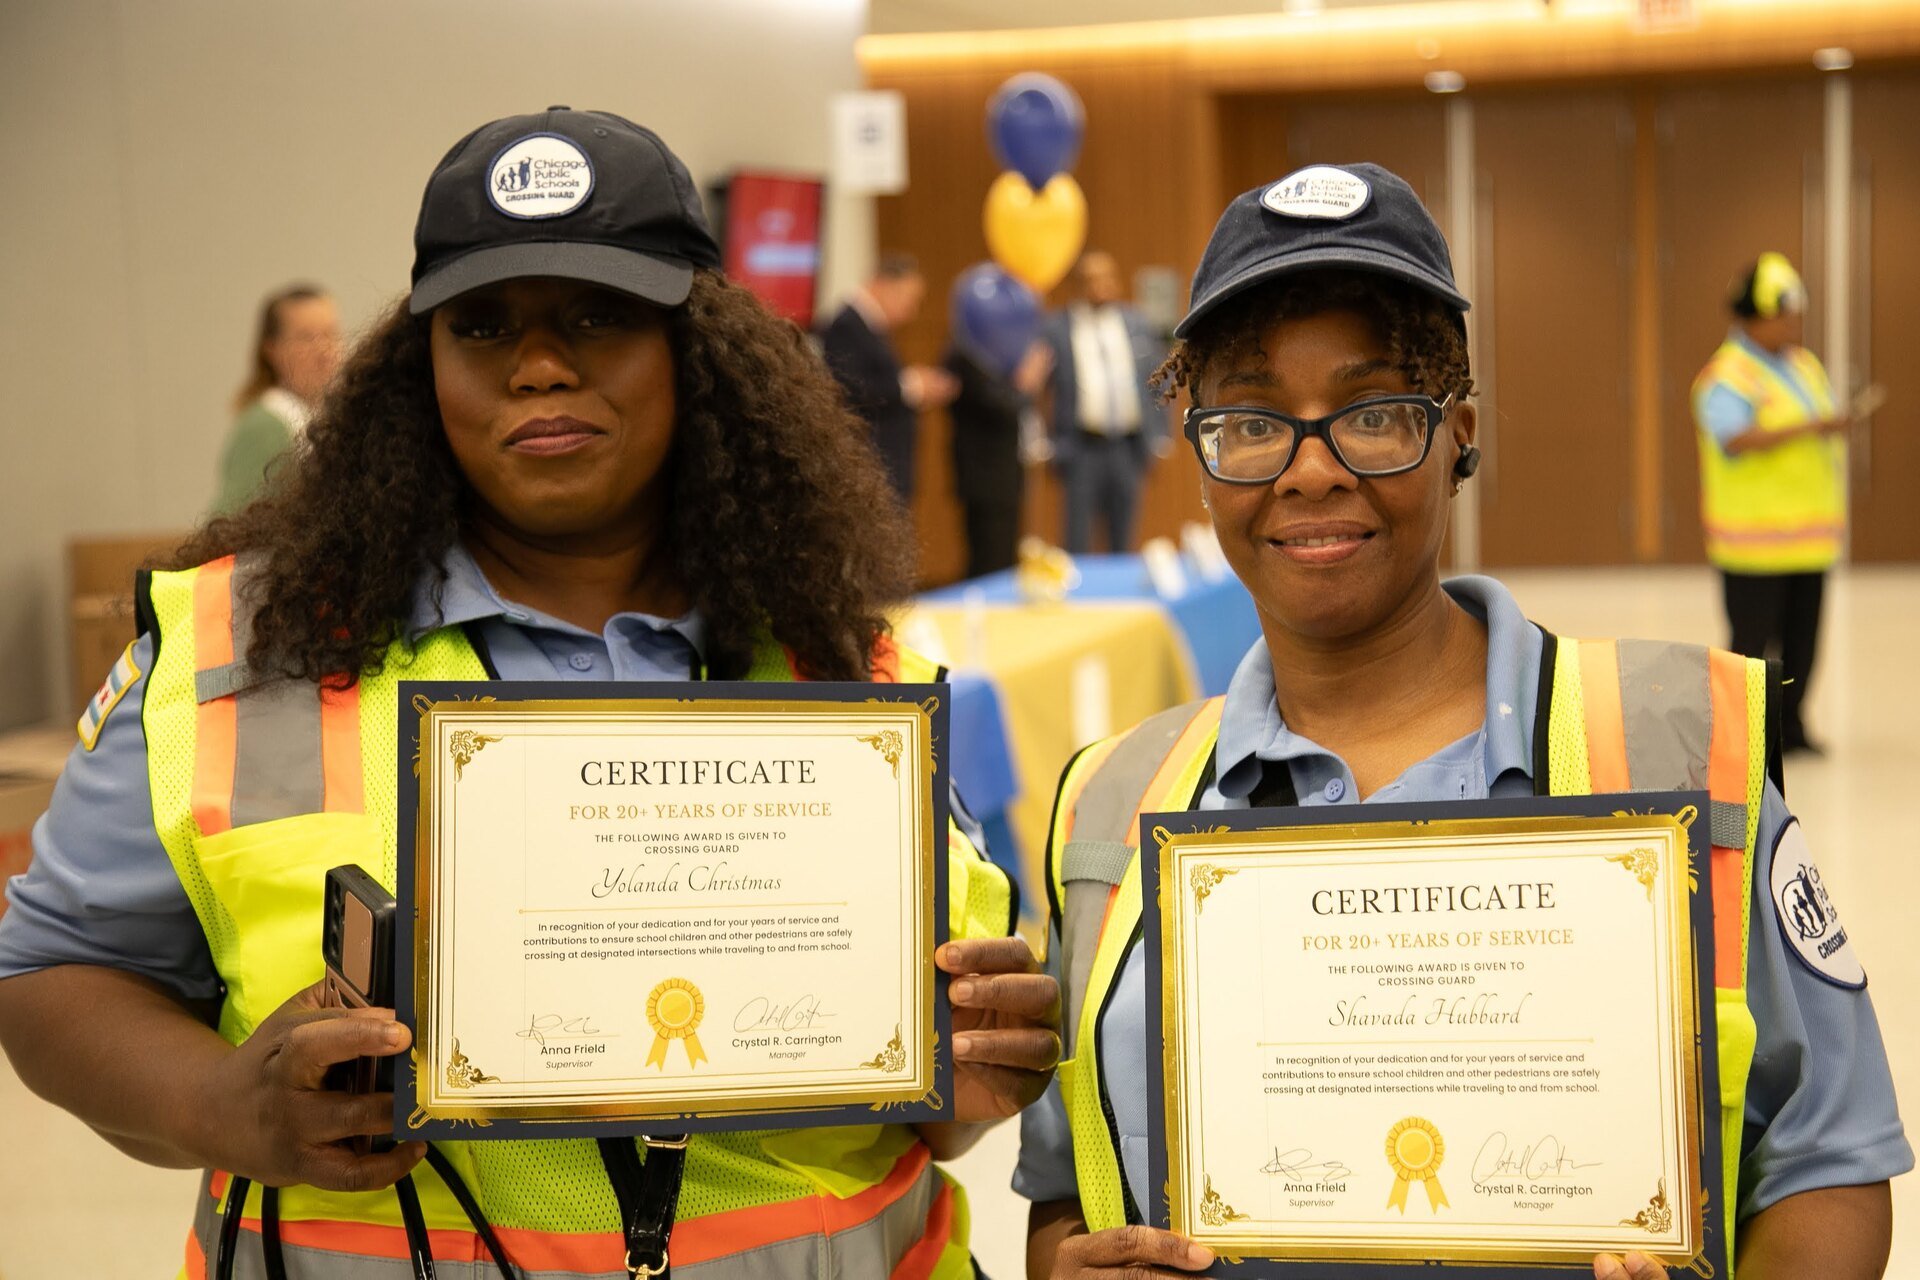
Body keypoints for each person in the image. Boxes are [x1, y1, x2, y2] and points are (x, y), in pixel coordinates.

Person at [0, 108, 1060, 1278]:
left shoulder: (844, 660)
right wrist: (222, 1102)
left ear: (695, 355)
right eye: (483, 323)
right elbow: (50, 973)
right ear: (423, 365)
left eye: (600, 316)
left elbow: (942, 1070)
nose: (538, 363)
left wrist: (973, 1065)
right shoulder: (237, 648)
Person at [1018, 165, 1907, 1280]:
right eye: (1250, 422)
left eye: (1376, 413)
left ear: (1461, 434)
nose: (1308, 469)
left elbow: (1828, 1159)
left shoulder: (1677, 747)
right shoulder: (1113, 803)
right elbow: (1069, 1186)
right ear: (1201, 456)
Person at [1692, 253, 1852, 754]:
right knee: (1752, 650)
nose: (1793, 323)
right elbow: (1733, 438)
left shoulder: (1803, 365)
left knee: (1802, 645)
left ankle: (1793, 728)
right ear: (1754, 315)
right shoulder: (1726, 376)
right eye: (1784, 313)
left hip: (1809, 541)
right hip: (1753, 546)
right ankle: (1745, 740)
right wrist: (1811, 429)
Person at [1040, 251, 1166, 554]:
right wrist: (1046, 442)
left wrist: (1161, 432)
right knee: (1077, 540)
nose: (1102, 286)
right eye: (1092, 280)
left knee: (1124, 538)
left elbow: (1159, 377)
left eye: (1107, 278)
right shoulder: (1056, 328)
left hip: (1128, 445)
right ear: (1078, 286)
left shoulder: (1135, 322)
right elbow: (1040, 389)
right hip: (1081, 447)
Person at [819, 253, 958, 504]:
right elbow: (850, 389)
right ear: (883, 284)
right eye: (909, 299)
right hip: (872, 463)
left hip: (888, 466)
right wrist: (911, 385)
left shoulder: (869, 326)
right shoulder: (847, 325)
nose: (911, 311)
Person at [214, 283, 342, 513]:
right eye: (307, 337)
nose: (324, 350)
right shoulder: (267, 425)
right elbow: (231, 521)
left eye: (330, 334)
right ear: (272, 350)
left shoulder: (322, 417)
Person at [945, 337, 1052, 578]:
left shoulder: (993, 353)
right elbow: (1002, 405)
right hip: (984, 477)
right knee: (989, 561)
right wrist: (1027, 382)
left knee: (1003, 557)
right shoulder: (969, 354)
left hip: (1004, 474)